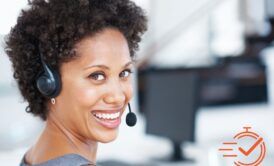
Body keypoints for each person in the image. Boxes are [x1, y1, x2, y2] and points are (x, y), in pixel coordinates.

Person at [5, 0, 147, 165]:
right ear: (49, 84)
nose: (117, 97)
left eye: (124, 73)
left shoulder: (35, 154)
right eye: (97, 76)